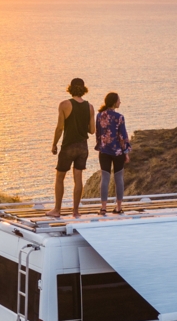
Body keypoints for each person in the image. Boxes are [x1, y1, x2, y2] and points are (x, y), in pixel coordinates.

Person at [46, 78, 95, 218]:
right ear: (83, 89)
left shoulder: (64, 105)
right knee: (78, 179)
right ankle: (75, 212)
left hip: (69, 146)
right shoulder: (90, 107)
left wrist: (54, 144)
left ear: (70, 88)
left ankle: (57, 210)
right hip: (83, 147)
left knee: (60, 177)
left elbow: (60, 128)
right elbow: (92, 130)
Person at [95, 92, 131, 214]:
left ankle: (103, 208)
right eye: (119, 100)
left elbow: (98, 134)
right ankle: (119, 207)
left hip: (104, 150)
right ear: (114, 102)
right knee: (118, 179)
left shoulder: (99, 116)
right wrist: (126, 152)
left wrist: (101, 146)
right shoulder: (119, 117)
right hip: (118, 152)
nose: (120, 102)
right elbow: (123, 136)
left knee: (105, 178)